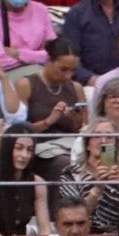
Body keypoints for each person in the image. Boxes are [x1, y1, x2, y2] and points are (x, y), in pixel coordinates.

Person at [15, 37, 87, 181]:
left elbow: (83, 128)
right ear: (48, 61)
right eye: (63, 69)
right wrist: (48, 121)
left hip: (70, 146)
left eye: (72, 70)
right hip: (39, 148)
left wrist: (76, 119)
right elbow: (18, 130)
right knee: (66, 164)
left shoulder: (76, 88)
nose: (68, 75)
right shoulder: (26, 85)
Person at [59, 118, 119, 232]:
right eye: (97, 136)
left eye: (109, 137)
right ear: (87, 144)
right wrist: (97, 188)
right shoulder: (71, 174)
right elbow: (74, 215)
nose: (103, 141)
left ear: (115, 145)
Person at [0, 125, 50, 235]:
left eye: (29, 150)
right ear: (7, 148)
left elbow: (44, 229)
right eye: (19, 148)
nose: (25, 155)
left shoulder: (38, 183)